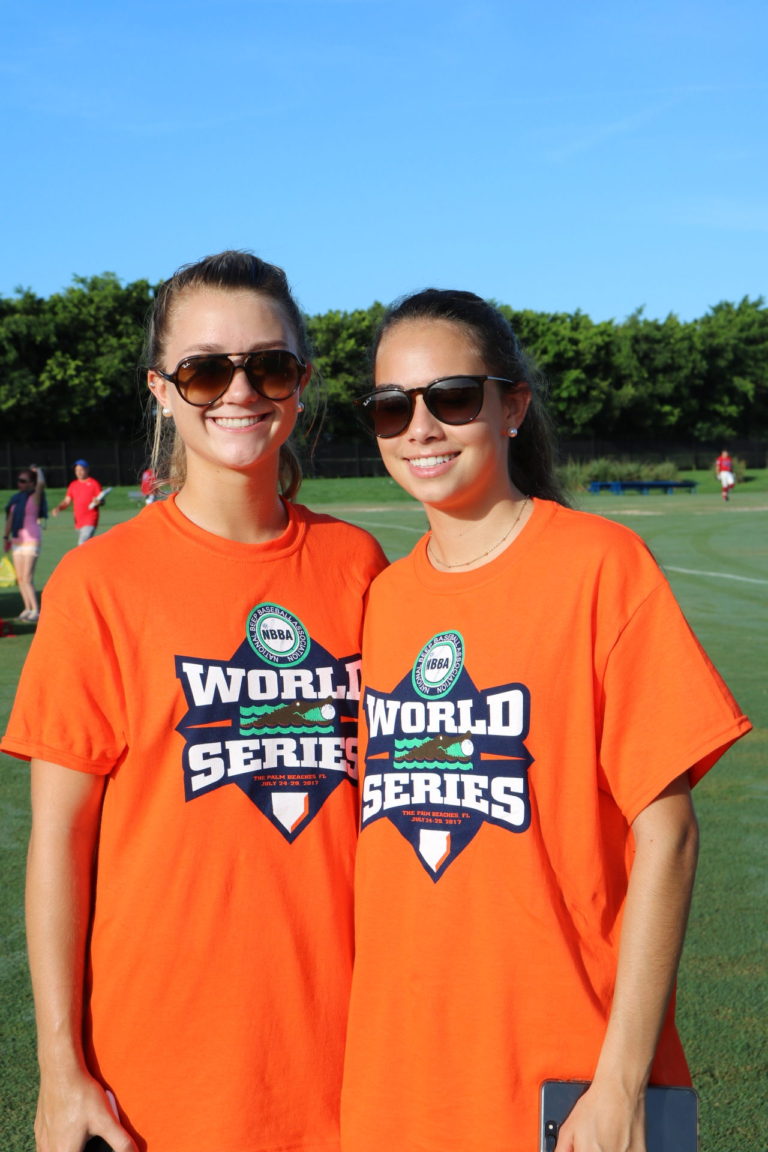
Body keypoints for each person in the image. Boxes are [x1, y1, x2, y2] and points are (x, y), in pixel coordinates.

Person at [340, 290, 751, 1152]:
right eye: (391, 407)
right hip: (399, 1082)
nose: (420, 426)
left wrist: (621, 1081)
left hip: (570, 1079)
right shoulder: (380, 601)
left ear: (512, 406)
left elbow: (667, 835)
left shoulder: (598, 566)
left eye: (451, 397)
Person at [2, 251, 387, 1152]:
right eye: (207, 368)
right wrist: (62, 1073)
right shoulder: (101, 583)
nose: (239, 391)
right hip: (158, 1080)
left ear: (300, 382)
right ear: (161, 390)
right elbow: (59, 842)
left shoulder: (363, 568)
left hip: (356, 1068)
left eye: (271, 365)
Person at [3, 464, 47, 622]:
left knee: (27, 578)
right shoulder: (16, 499)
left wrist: (38, 472)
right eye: (19, 480)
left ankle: (36, 610)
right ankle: (27, 608)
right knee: (20, 578)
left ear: (31, 483)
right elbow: (10, 519)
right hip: (17, 541)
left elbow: (41, 484)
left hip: (31, 541)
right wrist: (5, 537)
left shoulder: (34, 496)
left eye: (23, 481)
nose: (19, 483)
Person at [52, 459, 104, 543]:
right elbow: (67, 501)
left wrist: (99, 502)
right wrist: (58, 508)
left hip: (90, 520)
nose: (78, 472)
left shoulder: (94, 484)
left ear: (87, 470)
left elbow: (102, 500)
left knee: (82, 543)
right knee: (86, 547)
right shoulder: (73, 485)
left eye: (81, 470)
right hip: (78, 522)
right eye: (76, 470)